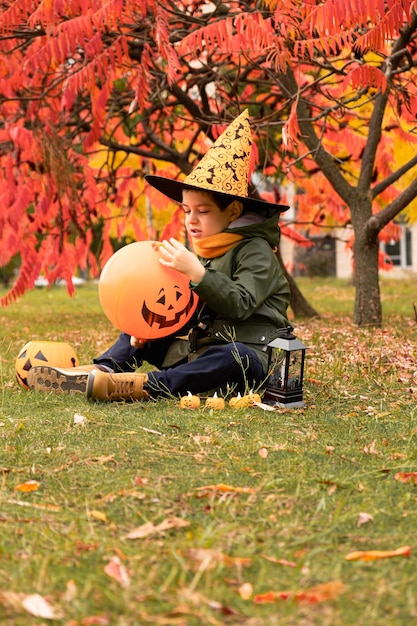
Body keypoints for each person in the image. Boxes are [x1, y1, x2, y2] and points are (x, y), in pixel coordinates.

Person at [27, 110, 291, 402]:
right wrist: (151, 331)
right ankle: (103, 370)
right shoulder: (211, 249)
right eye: (187, 211)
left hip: (252, 359)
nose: (192, 221)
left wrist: (198, 275)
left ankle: (148, 386)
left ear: (232, 211)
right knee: (145, 328)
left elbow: (240, 305)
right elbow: (194, 314)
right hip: (201, 354)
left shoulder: (256, 251)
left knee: (232, 355)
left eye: (203, 211)